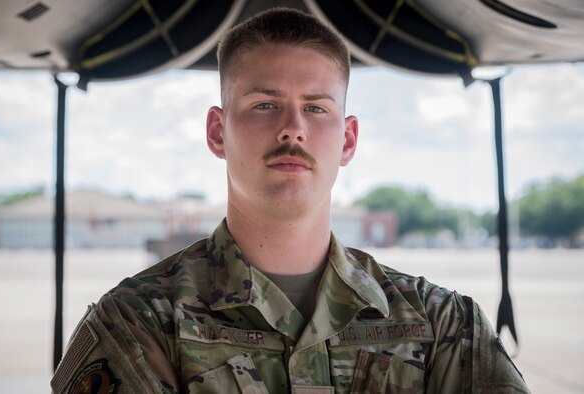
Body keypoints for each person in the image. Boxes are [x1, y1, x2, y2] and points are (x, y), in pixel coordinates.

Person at [51, 8, 530, 394]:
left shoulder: (442, 325)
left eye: (317, 108)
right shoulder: (138, 324)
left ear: (347, 141)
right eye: (264, 104)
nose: (292, 128)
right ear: (218, 132)